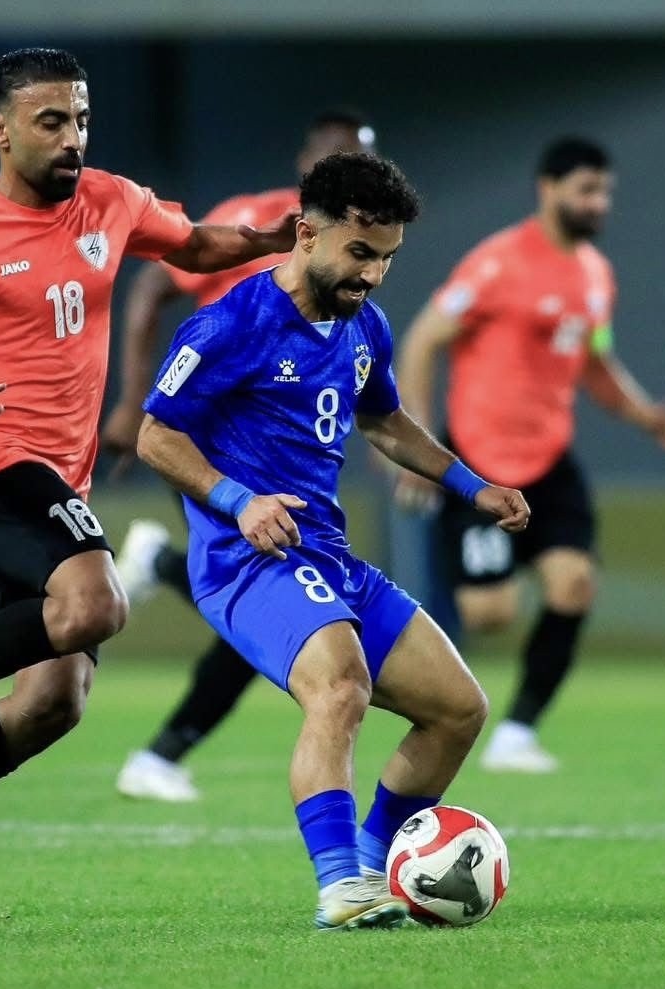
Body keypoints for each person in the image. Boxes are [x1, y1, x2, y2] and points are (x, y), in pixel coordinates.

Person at [0, 47, 297, 920]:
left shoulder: (110, 199)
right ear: (0, 131)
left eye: (80, 120)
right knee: (97, 603)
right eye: (51, 122)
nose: (72, 137)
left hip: (53, 484)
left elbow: (191, 245)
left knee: (50, 704)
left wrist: (262, 240)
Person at [136, 151, 529, 930]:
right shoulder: (230, 325)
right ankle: (341, 885)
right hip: (249, 560)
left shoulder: (363, 327)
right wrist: (237, 500)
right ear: (306, 235)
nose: (373, 275)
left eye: (385, 259)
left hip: (326, 557)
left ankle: (372, 862)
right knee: (340, 687)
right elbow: (155, 436)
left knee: (459, 710)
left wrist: (470, 485)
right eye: (360, 254)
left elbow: (384, 421)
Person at [394, 135, 665, 775]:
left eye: (605, 191)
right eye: (587, 189)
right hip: (480, 460)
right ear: (548, 188)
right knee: (491, 613)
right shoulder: (497, 263)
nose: (599, 202)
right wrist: (418, 446)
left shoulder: (595, 273)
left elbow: (594, 359)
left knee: (575, 584)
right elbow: (423, 339)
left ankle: (518, 732)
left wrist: (648, 418)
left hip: (551, 458)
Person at [102, 109, 378, 803]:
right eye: (345, 161)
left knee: (268, 610)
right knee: (271, 607)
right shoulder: (254, 222)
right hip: (213, 446)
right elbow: (152, 287)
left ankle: (162, 743)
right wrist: (135, 400)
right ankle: (160, 754)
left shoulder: (356, 247)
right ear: (311, 166)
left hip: (283, 463)